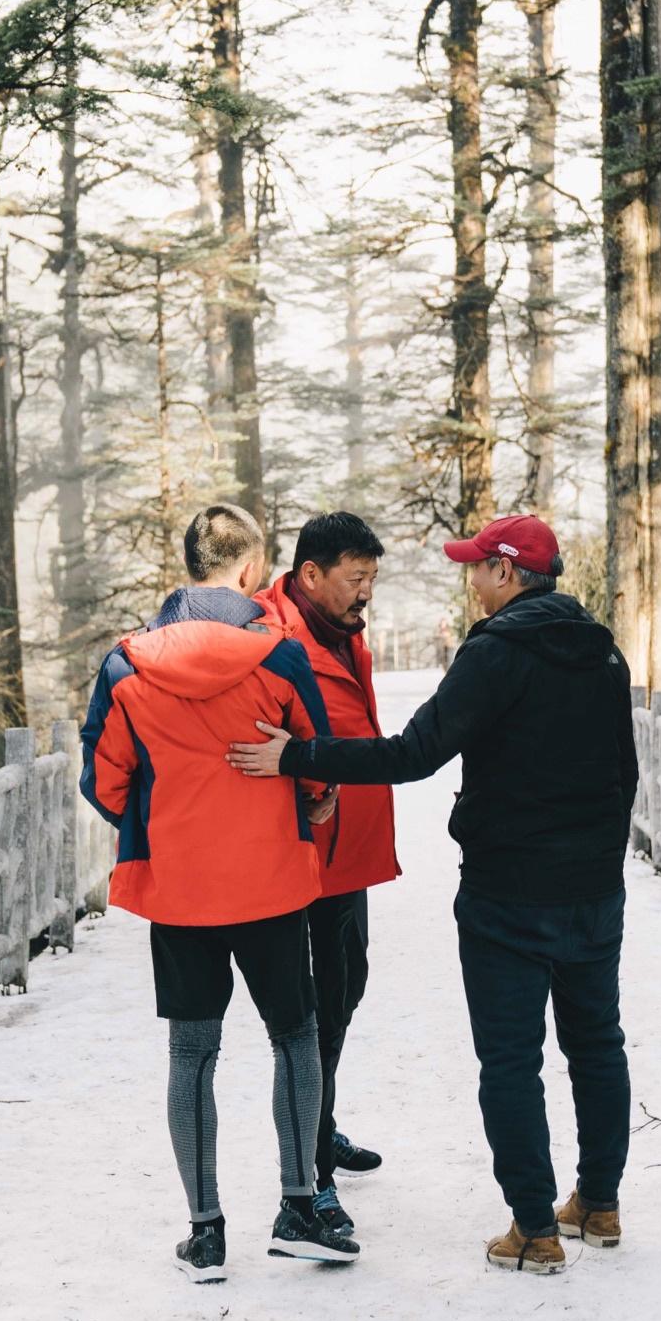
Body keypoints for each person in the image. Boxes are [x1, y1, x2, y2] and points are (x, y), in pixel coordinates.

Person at [229, 513, 636, 1276]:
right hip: (592, 889)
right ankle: (599, 1203)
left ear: (507, 572)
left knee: (511, 1060)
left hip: (508, 893)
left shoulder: (496, 652)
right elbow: (626, 772)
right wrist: (600, 861)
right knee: (597, 1043)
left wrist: (299, 756)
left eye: (479, 567)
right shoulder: (603, 652)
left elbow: (413, 753)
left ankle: (534, 1229)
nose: (472, 580)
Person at [79, 503, 363, 1281]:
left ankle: (205, 1234)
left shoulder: (126, 665)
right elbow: (313, 756)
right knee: (295, 1038)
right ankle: (299, 1207)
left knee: (192, 1054)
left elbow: (103, 781)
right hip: (271, 883)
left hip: (179, 890)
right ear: (251, 568)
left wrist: (163, 811)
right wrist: (315, 799)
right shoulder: (280, 656)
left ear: (189, 564)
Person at [255, 511, 399, 1237]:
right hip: (305, 848)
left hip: (352, 848)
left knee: (348, 985)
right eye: (355, 578)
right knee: (315, 1009)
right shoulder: (272, 635)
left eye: (372, 578)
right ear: (310, 574)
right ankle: (311, 1171)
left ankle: (323, 1118)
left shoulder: (341, 629)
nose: (365, 592)